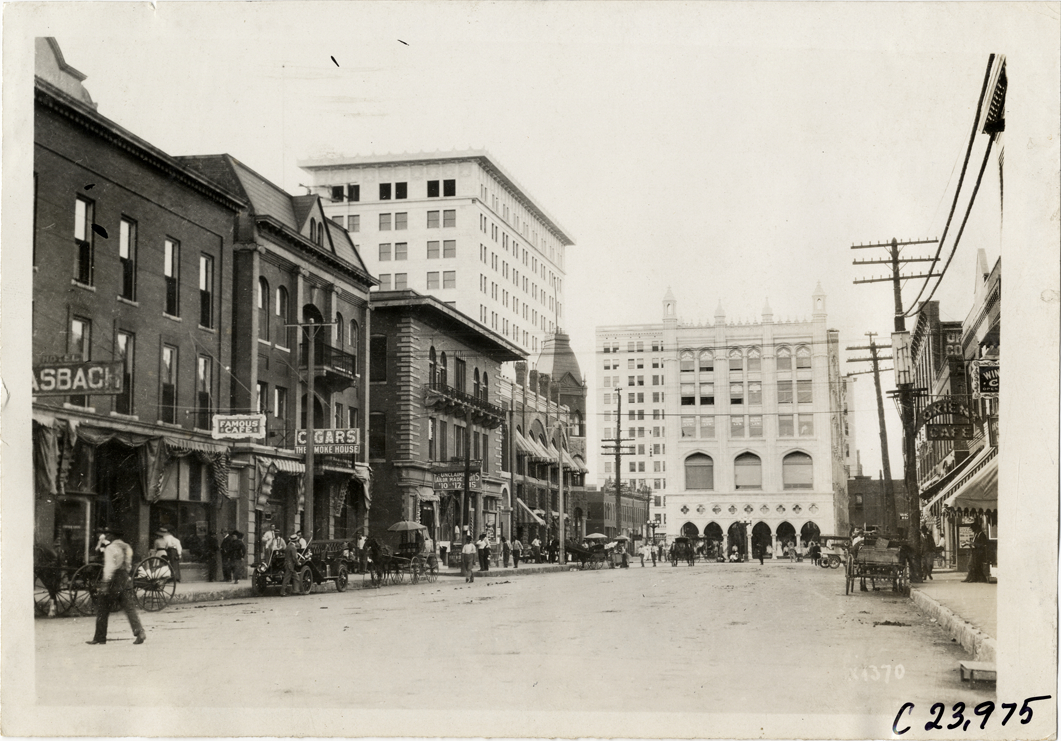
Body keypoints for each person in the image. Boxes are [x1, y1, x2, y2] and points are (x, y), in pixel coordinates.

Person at [87, 527, 146, 645]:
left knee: (103, 608)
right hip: (123, 577)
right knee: (129, 607)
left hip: (113, 578)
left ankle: (100, 637)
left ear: (113, 536)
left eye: (109, 534)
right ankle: (139, 632)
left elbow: (109, 567)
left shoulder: (110, 548)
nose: (107, 536)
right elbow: (128, 566)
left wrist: (105, 583)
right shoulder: (127, 547)